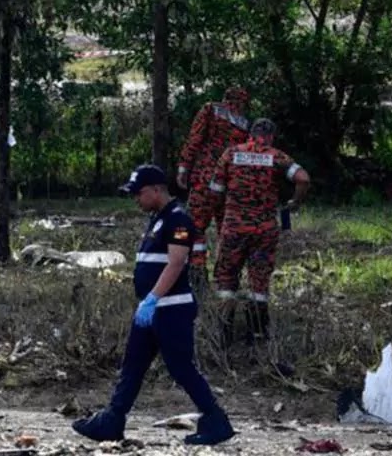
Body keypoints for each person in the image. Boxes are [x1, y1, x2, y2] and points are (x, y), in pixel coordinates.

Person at [72, 165, 235, 446]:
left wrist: (153, 298)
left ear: (157, 189)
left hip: (171, 308)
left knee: (181, 367)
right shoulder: (158, 218)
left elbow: (176, 262)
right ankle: (113, 419)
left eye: (139, 192)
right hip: (151, 309)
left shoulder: (179, 219)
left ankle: (215, 419)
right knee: (132, 365)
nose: (136, 198)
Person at [208, 118, 310, 346]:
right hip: (264, 230)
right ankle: (258, 335)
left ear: (250, 134)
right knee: (259, 279)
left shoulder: (231, 154)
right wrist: (294, 202)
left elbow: (214, 192)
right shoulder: (277, 156)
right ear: (271, 136)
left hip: (234, 227)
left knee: (226, 276)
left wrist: (224, 214)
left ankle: (224, 336)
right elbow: (303, 178)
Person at [176, 87, 251, 270]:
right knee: (227, 229)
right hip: (229, 182)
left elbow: (195, 139)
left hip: (205, 178)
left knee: (194, 226)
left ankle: (196, 271)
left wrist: (183, 168)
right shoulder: (246, 125)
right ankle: (227, 277)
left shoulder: (210, 110)